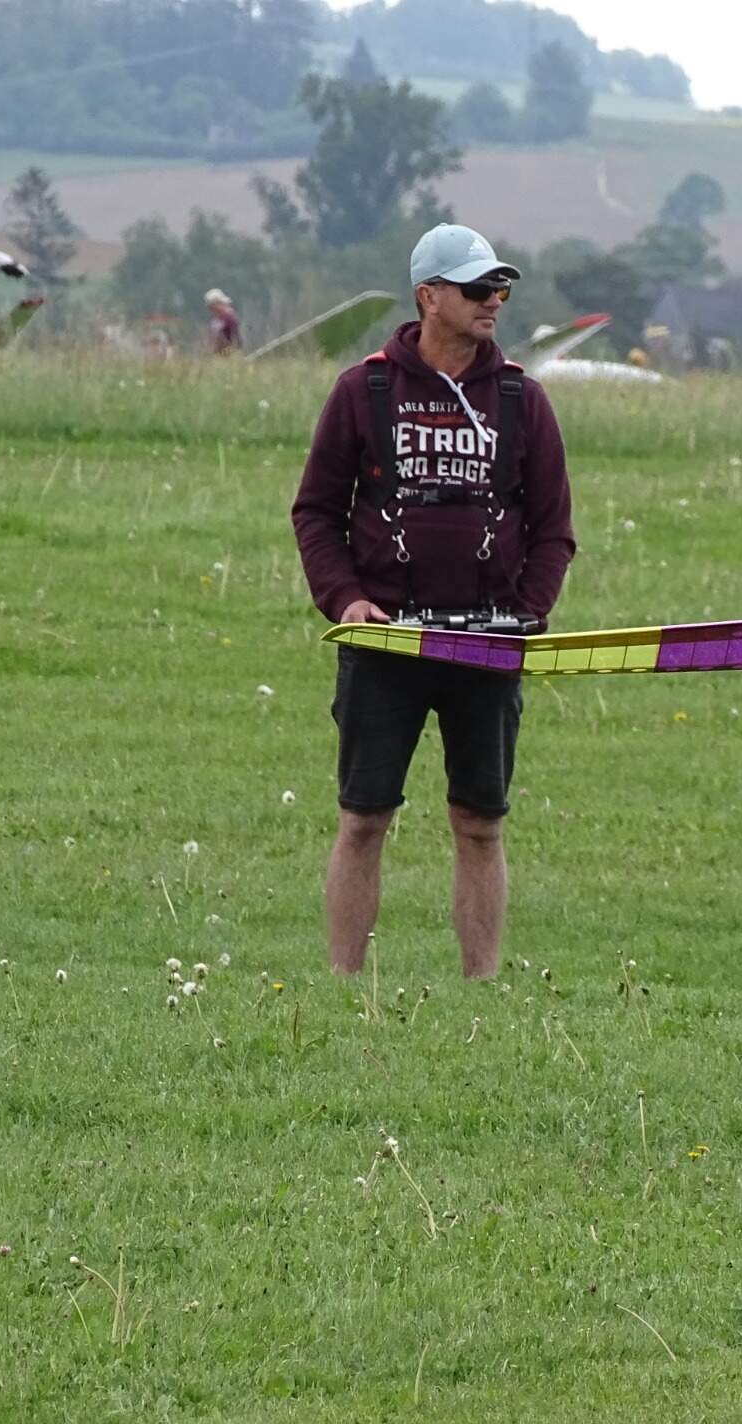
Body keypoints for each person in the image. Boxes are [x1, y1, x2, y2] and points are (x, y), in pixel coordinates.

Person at [291, 224, 575, 979]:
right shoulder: (363, 391)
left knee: (480, 822)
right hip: (385, 644)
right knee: (363, 818)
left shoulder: (522, 398)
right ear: (428, 297)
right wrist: (346, 601)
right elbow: (315, 512)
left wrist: (528, 611)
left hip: (488, 646)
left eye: (500, 289)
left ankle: (481, 984)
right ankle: (345, 985)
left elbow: (553, 529)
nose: (494, 302)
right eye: (477, 289)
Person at [204, 289, 241, 354]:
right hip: (219, 354)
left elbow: (235, 339)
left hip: (230, 353)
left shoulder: (229, 318)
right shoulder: (216, 320)